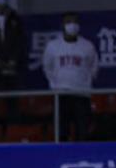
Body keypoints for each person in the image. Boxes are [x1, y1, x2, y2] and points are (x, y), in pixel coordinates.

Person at [41, 13, 98, 141]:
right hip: (61, 94)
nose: (72, 25)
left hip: (82, 94)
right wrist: (54, 85)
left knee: (82, 131)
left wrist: (84, 83)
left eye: (75, 22)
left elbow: (93, 67)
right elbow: (47, 67)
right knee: (61, 131)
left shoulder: (87, 46)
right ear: (63, 25)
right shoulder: (53, 46)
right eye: (68, 22)